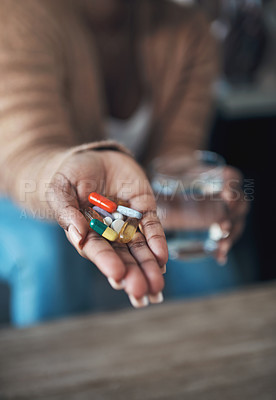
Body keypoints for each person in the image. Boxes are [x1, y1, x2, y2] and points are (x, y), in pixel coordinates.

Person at [0, 0, 247, 325]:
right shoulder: (19, 14)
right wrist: (67, 173)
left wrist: (193, 192)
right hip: (23, 193)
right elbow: (23, 154)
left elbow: (173, 160)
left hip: (123, 199)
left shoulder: (191, 32)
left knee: (203, 256)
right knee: (47, 254)